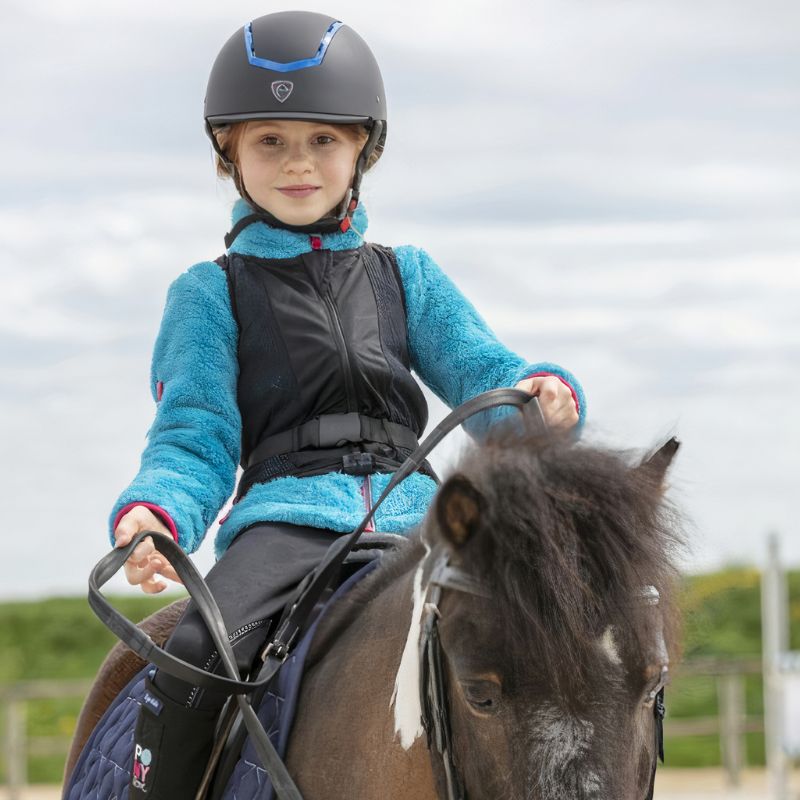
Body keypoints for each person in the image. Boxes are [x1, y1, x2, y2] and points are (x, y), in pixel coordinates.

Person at [111, 10, 586, 799]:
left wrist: (542, 396)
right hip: (286, 522)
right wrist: (158, 512)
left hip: (423, 517)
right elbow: (194, 435)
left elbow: (485, 374)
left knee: (558, 626)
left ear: (362, 147)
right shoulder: (208, 294)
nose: (299, 163)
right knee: (198, 648)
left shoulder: (410, 276)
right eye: (271, 141)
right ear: (228, 152)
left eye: (323, 140)